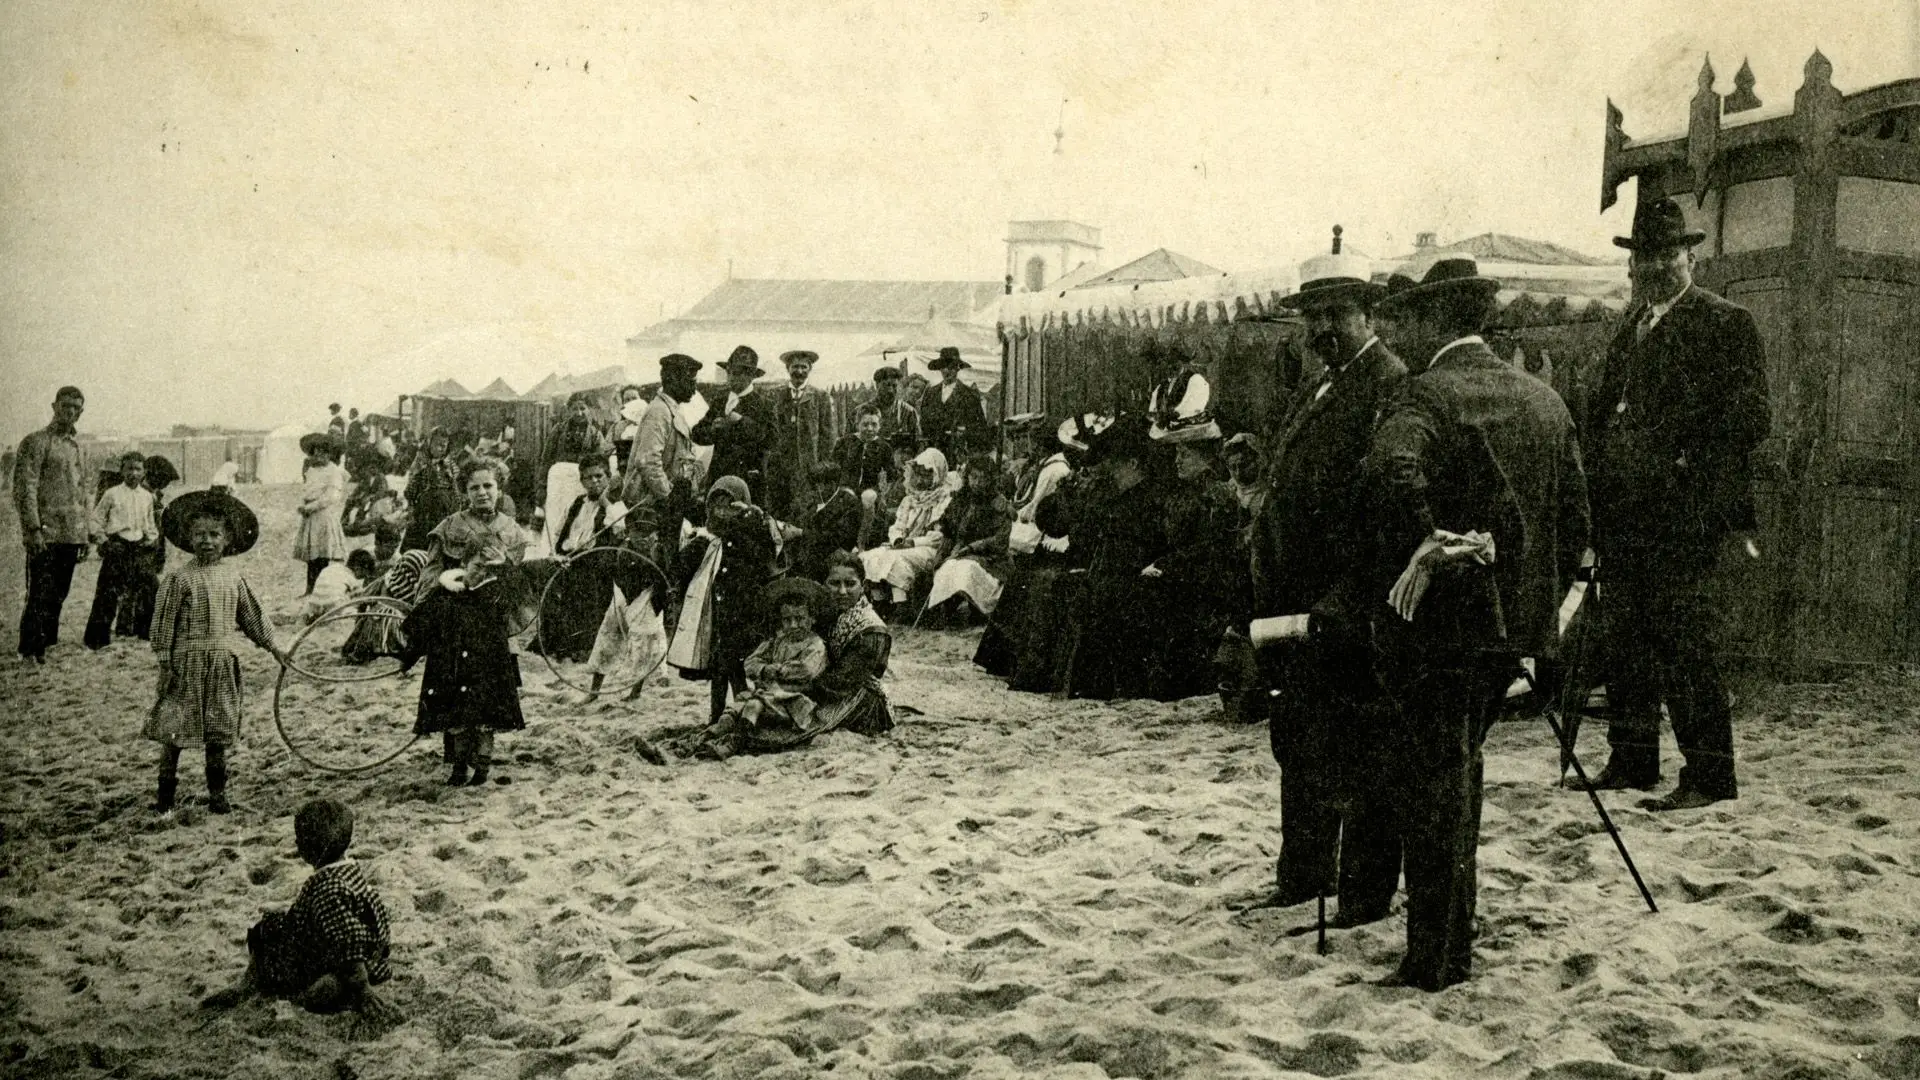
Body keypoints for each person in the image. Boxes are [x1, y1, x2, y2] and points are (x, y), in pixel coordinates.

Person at [1353, 254, 1590, 990]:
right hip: (1516, 631)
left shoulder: (1424, 395)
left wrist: (1434, 547)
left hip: (1440, 629)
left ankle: (1438, 957)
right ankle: (1444, 941)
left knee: (1437, 783)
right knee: (1456, 769)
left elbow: (1391, 475)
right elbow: (1578, 517)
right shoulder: (1545, 399)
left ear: (1434, 321)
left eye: (1412, 316)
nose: (1404, 328)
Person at [1578, 196, 1771, 812]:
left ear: (1691, 255)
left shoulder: (1725, 322)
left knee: (1686, 644)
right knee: (1627, 640)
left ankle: (1711, 776)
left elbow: (1751, 417)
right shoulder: (1632, 326)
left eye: (1667, 254)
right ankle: (1633, 761)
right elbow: (1606, 411)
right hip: (1625, 518)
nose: (1656, 267)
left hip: (1684, 519)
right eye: (1644, 258)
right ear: (1631, 268)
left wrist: (1681, 457)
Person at [1243, 232, 1408, 920]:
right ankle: (1305, 875)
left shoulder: (1387, 384)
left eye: (1337, 315)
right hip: (1294, 597)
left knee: (1355, 748)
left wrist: (1341, 596)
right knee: (1299, 738)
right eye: (1314, 317)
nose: (1323, 329)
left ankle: (1357, 892)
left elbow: (1376, 508)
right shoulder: (1320, 384)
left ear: (1367, 315)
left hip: (1343, 603)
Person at [146, 489, 286, 813]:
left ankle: (218, 796)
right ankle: (165, 797)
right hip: (186, 665)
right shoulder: (179, 580)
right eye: (199, 535)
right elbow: (163, 624)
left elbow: (252, 616)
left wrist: (274, 647)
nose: (206, 541)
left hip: (222, 664)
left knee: (218, 732)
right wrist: (166, 663)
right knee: (174, 732)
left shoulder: (233, 578)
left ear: (226, 539)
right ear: (188, 538)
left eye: (214, 534)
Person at [201, 799, 400, 1023]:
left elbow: (348, 936)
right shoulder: (351, 872)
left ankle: (249, 985)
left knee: (267, 930)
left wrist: (362, 987)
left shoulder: (328, 891)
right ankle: (346, 979)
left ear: (310, 848)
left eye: (300, 839)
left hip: (338, 961)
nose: (297, 842)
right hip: (371, 955)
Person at [399, 460, 529, 787]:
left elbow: (520, 582)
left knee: (488, 693)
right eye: (474, 487)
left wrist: (506, 571)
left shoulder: (512, 530)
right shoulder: (450, 526)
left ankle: (482, 764)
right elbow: (430, 572)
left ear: (499, 488)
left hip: (491, 624)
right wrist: (442, 581)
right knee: (453, 690)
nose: (482, 493)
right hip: (454, 623)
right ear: (464, 491)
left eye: (488, 486)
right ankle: (457, 764)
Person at [1055, 416, 1168, 700]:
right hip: (1110, 579)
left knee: (1102, 606)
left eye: (1117, 465)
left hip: (1134, 580)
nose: (1112, 471)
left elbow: (1147, 547)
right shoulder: (1118, 497)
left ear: (1134, 464)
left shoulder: (1150, 500)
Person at [667, 476, 780, 724]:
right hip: (717, 613)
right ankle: (717, 714)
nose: (722, 513)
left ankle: (746, 711)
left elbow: (763, 555)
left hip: (744, 612)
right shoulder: (706, 539)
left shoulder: (751, 534)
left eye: (730, 506)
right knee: (721, 666)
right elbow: (682, 565)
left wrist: (749, 519)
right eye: (717, 506)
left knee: (739, 663)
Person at [1145, 436, 1244, 701]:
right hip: (1185, 578)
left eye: (1185, 455)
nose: (1178, 460)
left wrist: (1165, 565)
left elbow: (1208, 549)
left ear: (1206, 459)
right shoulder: (1184, 493)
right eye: (1177, 454)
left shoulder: (1215, 496)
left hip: (1208, 586)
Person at [699, 577, 830, 758]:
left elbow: (806, 670)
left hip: (793, 699)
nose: (793, 625)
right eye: (787, 620)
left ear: (812, 619)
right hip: (768, 695)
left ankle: (736, 743)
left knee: (752, 706)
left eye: (799, 619)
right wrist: (762, 669)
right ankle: (704, 738)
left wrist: (775, 669)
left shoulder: (815, 645)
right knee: (733, 710)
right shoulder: (778, 640)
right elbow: (751, 663)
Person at [14, 386, 90, 664]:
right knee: (40, 591)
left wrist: (85, 534)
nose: (70, 412)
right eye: (65, 406)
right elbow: (25, 488)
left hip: (71, 533)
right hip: (45, 533)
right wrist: (32, 529)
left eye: (76, 409)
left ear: (80, 413)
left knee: (59, 592)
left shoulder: (78, 447)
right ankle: (30, 650)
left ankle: (46, 643)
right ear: (54, 406)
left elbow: (83, 493)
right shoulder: (36, 442)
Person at [539, 456, 633, 664]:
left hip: (597, 563)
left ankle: (583, 645)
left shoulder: (616, 506)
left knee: (587, 587)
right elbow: (560, 531)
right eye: (588, 478)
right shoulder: (576, 504)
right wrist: (559, 554)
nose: (594, 482)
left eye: (599, 476)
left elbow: (619, 529)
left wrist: (605, 502)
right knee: (553, 582)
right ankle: (558, 644)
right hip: (571, 557)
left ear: (608, 477)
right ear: (582, 481)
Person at [622, 354, 705, 568]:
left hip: (663, 507)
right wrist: (668, 497)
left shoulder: (671, 409)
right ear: (673, 379)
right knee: (654, 568)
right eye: (690, 382)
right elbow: (647, 461)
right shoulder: (659, 412)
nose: (694, 389)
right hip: (652, 508)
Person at [860, 448, 953, 614]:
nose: (920, 480)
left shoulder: (945, 499)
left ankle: (900, 604)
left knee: (894, 558)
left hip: (931, 548)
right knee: (870, 556)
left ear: (937, 474)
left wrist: (912, 542)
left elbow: (941, 535)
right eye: (917, 475)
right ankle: (880, 601)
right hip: (904, 545)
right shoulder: (909, 499)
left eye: (926, 475)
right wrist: (897, 539)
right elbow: (898, 526)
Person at [924, 454, 1014, 625]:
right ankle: (946, 607)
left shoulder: (999, 504)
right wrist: (941, 558)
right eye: (974, 477)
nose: (978, 483)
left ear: (991, 479)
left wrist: (972, 548)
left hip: (992, 560)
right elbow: (949, 533)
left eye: (983, 478)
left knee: (966, 569)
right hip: (959, 554)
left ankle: (978, 608)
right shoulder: (960, 500)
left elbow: (1000, 540)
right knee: (946, 568)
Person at [85, 451, 159, 649]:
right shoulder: (112, 493)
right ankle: (97, 638)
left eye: (138, 469)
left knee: (150, 587)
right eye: (129, 469)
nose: (133, 473)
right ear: (121, 470)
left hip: (139, 546)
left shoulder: (147, 497)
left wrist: (150, 539)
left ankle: (146, 631)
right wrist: (103, 541)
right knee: (108, 590)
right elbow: (95, 519)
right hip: (117, 545)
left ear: (144, 472)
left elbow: (150, 523)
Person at [691, 346, 776, 506]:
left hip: (750, 480)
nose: (730, 378)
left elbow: (772, 439)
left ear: (750, 376)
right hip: (719, 479)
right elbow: (696, 434)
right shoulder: (720, 401)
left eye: (736, 373)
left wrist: (740, 421)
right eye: (728, 372)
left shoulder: (764, 404)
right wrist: (712, 430)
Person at [768, 350, 838, 521]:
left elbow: (828, 436)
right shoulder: (775, 395)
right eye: (794, 367)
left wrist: (822, 465)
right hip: (781, 469)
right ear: (787, 368)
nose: (799, 371)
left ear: (810, 369)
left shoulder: (820, 397)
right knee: (779, 515)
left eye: (803, 367)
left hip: (808, 470)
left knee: (806, 515)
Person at [117, 454, 180, 641]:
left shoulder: (153, 495)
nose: (165, 485)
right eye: (164, 481)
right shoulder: (141, 495)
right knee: (141, 589)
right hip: (139, 548)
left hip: (151, 549)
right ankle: (134, 627)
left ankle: (132, 627)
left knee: (139, 590)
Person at [542, 395, 613, 545]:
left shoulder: (595, 434)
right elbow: (546, 458)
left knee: (578, 514)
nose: (579, 413)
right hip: (558, 480)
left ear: (589, 410)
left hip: (582, 480)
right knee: (556, 514)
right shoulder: (558, 430)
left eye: (583, 408)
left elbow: (599, 461)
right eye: (575, 409)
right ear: (568, 410)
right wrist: (541, 486)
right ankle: (553, 547)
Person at [294, 433, 349, 596]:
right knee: (312, 556)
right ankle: (310, 588)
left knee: (322, 555)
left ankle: (320, 589)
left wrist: (311, 507)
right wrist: (304, 505)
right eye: (316, 452)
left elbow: (332, 496)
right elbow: (308, 489)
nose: (319, 455)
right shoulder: (311, 470)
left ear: (330, 454)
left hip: (323, 515)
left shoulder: (334, 471)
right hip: (310, 516)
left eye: (323, 452)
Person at [791, 460, 863, 582]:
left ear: (832, 484)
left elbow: (838, 538)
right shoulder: (815, 502)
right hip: (808, 558)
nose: (813, 490)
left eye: (818, 486)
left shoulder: (848, 503)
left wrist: (800, 533)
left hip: (834, 560)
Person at [917, 347, 989, 459]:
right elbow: (923, 424)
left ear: (958, 368)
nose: (947, 371)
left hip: (959, 455)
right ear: (939, 369)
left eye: (951, 367)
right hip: (934, 455)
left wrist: (964, 434)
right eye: (944, 367)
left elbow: (980, 430)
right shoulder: (930, 393)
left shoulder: (969, 395)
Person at [401, 429, 463, 554]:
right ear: (429, 444)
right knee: (422, 539)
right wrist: (412, 506)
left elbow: (455, 487)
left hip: (445, 507)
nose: (441, 448)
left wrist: (457, 505)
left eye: (444, 445)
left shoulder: (450, 464)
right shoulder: (421, 462)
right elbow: (411, 488)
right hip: (425, 508)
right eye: (437, 444)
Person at [866, 366, 923, 449]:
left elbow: (918, 444)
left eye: (894, 386)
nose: (891, 390)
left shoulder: (908, 412)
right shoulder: (862, 411)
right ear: (877, 385)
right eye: (887, 385)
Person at [612, 384, 645, 467]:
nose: (631, 402)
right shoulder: (617, 427)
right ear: (623, 404)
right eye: (627, 400)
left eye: (634, 398)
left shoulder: (650, 422)